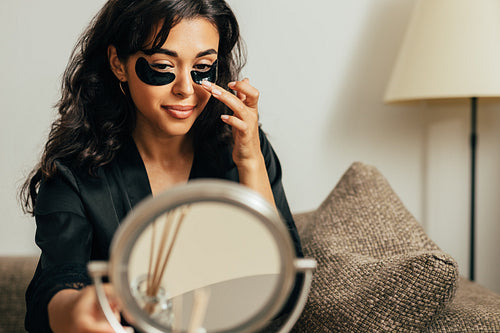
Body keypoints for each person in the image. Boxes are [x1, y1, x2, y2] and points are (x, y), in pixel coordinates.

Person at [20, 0, 303, 332]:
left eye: (202, 67)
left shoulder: (244, 149)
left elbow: (285, 291)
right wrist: (77, 310)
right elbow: (59, 283)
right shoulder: (74, 171)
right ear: (118, 63)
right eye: (162, 66)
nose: (185, 88)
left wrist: (250, 160)